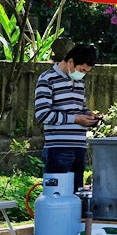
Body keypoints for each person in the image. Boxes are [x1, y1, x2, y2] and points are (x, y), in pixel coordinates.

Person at [34, 44, 100, 195]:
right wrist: (76, 119)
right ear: (71, 62)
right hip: (58, 148)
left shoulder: (79, 82)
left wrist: (89, 115)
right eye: (82, 70)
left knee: (76, 197)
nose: (83, 75)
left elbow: (79, 108)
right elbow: (42, 114)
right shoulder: (47, 79)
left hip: (79, 147)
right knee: (57, 196)